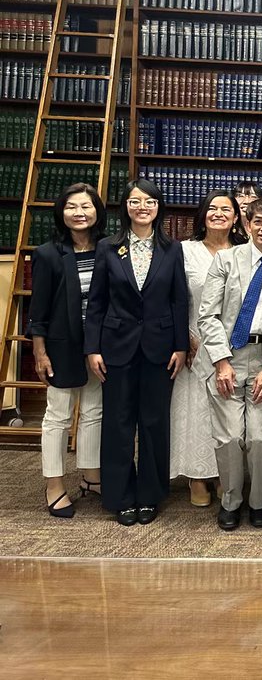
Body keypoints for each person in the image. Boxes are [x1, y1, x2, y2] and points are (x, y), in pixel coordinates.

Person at [85, 179, 189, 526]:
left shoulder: (172, 249)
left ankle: (150, 494)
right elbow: (97, 302)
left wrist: (180, 346)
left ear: (159, 207)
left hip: (160, 349)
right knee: (118, 422)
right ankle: (120, 495)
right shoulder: (108, 247)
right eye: (134, 201)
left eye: (149, 201)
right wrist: (92, 348)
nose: (142, 207)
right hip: (116, 347)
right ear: (125, 207)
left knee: (154, 422)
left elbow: (178, 300)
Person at [198, 196, 262, 531]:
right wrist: (222, 361)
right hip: (226, 356)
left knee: (258, 437)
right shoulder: (227, 260)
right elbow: (208, 315)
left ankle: (258, 501)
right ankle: (231, 501)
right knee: (229, 437)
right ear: (247, 224)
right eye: (258, 221)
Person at [29, 183, 106, 518]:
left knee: (94, 411)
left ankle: (90, 476)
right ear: (61, 212)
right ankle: (55, 483)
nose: (79, 213)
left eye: (86, 206)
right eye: (72, 206)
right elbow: (38, 308)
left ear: (97, 211)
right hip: (61, 346)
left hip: (99, 344)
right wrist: (39, 351)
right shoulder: (47, 253)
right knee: (58, 416)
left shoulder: (107, 248)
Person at [174, 191, 243, 508]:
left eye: (225, 209)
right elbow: (172, 297)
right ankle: (196, 476)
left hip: (233, 344)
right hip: (194, 342)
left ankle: (221, 475)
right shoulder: (184, 251)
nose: (218, 214)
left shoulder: (244, 251)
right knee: (197, 411)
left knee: (226, 412)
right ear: (202, 215)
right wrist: (183, 337)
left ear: (236, 217)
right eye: (212, 208)